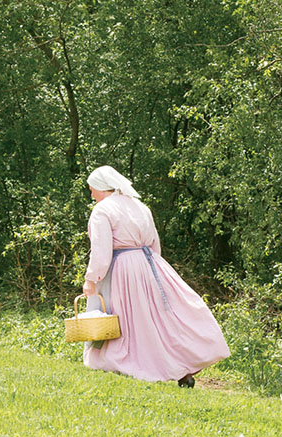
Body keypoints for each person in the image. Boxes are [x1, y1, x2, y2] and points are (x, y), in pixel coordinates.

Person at [82, 165, 229, 387]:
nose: (91, 194)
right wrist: (151, 270)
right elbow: (154, 244)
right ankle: (181, 367)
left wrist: (91, 278)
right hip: (150, 264)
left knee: (130, 320)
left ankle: (137, 364)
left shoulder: (102, 211)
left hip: (123, 268)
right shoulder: (140, 207)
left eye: (92, 189)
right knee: (160, 319)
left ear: (102, 188)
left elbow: (102, 252)